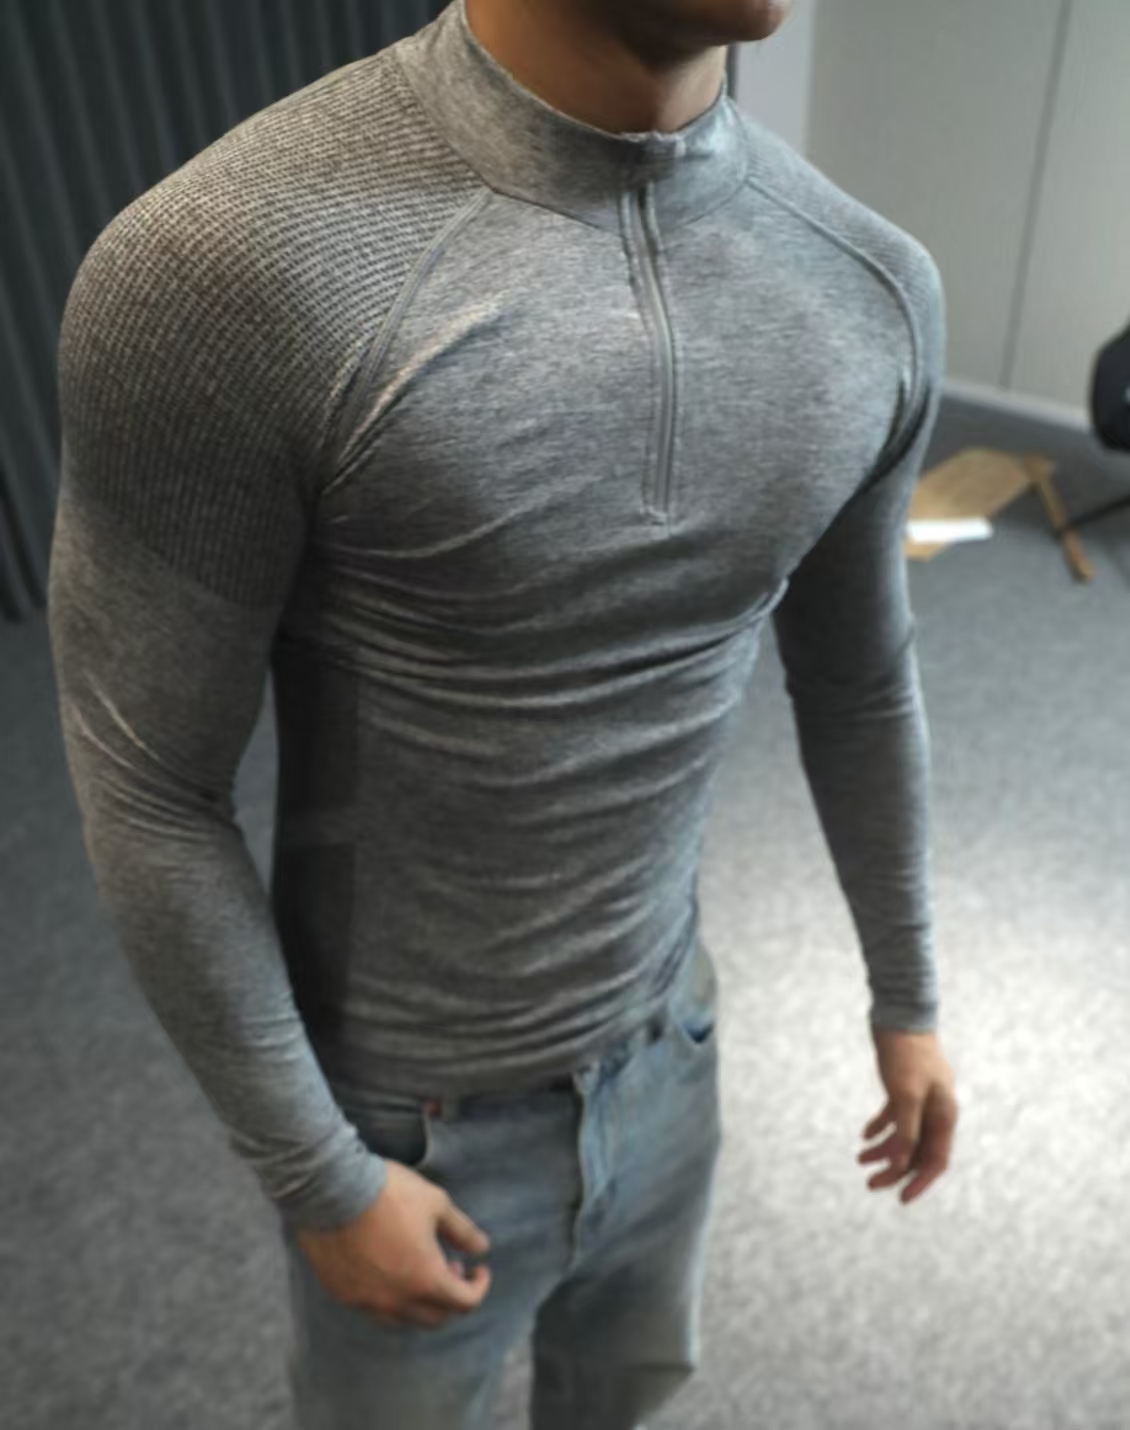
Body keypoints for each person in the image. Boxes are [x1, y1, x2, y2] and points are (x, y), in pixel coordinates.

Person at [46, 0, 959, 1423]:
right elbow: (148, 784)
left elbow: (859, 680)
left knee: (625, 1397)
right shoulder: (224, 267)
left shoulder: (868, 285)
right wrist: (319, 1174)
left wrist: (906, 995)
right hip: (405, 1123)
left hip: (672, 1043)